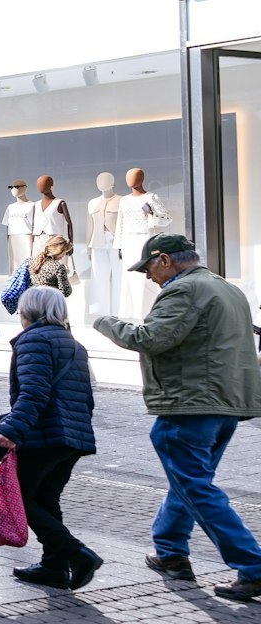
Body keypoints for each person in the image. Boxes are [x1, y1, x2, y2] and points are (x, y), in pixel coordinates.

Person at [94, 234, 261, 603]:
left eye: (149, 268)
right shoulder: (225, 288)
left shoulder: (184, 290)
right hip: (225, 405)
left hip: (190, 404)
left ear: (165, 260)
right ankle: (170, 552)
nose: (148, 276)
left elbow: (152, 338)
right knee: (188, 481)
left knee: (196, 487)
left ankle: (254, 566)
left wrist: (104, 322)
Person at [0, 286, 100, 589]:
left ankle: (76, 553)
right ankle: (54, 566)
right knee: (46, 499)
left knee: (20, 499)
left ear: (29, 312)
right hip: (71, 437)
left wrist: (11, 430)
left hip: (45, 435)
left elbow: (34, 393)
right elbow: (86, 397)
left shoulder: (34, 340)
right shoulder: (72, 342)